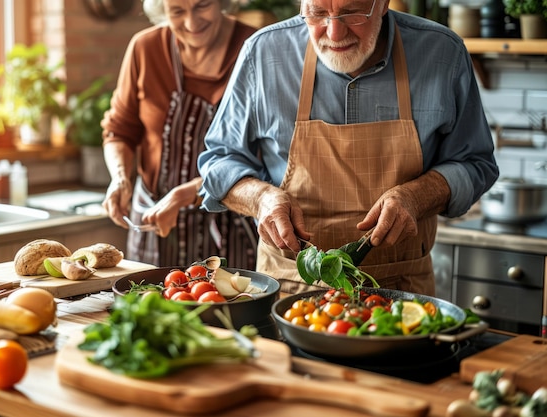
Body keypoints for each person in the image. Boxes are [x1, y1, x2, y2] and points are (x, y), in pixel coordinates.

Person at [198, 0, 499, 295]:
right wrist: (261, 198)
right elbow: (220, 160)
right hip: (287, 287)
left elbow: (475, 163)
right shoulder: (263, 52)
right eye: (317, 14)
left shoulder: (442, 52)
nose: (334, 33)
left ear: (382, 4)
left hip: (403, 294)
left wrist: (417, 197)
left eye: (352, 13)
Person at [100, 0, 258, 268]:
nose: (191, 23)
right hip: (155, 220)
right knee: (150, 306)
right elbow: (119, 130)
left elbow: (263, 155)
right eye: (177, 11)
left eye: (202, 5)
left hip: (232, 222)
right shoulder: (145, 48)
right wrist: (120, 178)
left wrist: (185, 194)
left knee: (226, 307)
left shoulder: (255, 47)